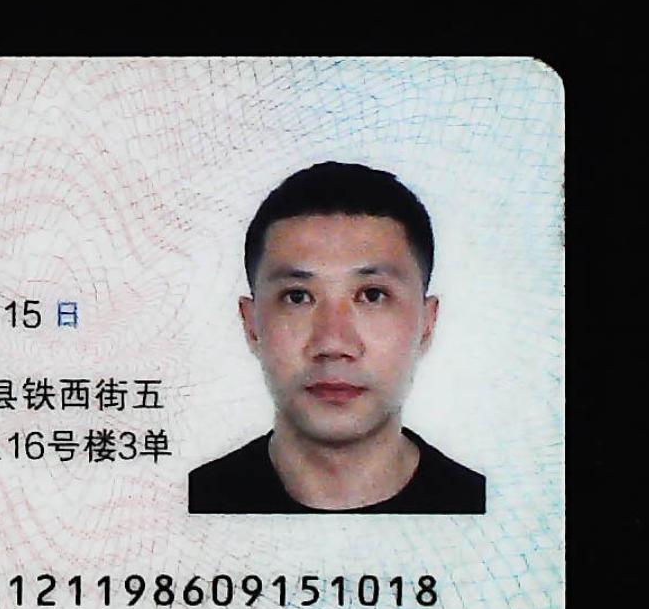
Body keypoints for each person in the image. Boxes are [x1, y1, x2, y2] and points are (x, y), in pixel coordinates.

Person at [186, 161, 486, 514]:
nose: (333, 343)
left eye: (372, 295)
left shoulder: (486, 510)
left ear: (427, 324)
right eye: (297, 297)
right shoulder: (183, 506)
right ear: (251, 325)